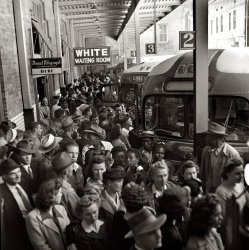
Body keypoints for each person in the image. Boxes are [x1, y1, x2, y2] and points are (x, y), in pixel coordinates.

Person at [25, 177, 70, 250]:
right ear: (51, 196)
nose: (61, 195)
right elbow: (40, 246)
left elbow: (69, 233)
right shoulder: (32, 217)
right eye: (59, 193)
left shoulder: (61, 209)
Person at [0, 159, 33, 250]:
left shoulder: (24, 182)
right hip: (18, 233)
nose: (18, 176)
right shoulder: (1, 192)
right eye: (13, 174)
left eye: (19, 172)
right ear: (4, 176)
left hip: (33, 225)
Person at [200, 122, 240, 192]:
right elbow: (203, 173)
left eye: (210, 136)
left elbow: (237, 180)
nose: (206, 138)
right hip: (209, 192)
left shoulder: (233, 154)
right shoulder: (205, 151)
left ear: (222, 139)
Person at [52, 152, 80, 222]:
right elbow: (78, 214)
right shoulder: (69, 192)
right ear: (66, 171)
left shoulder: (52, 184)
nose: (73, 167)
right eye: (71, 165)